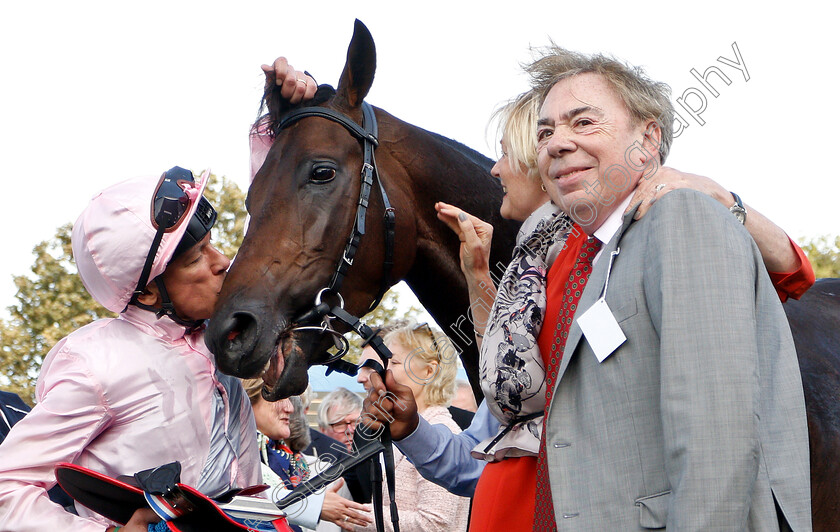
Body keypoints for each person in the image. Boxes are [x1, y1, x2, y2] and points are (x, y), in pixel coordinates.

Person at [367, 89, 814, 531]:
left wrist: (725, 201)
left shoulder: (639, 235)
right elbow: (492, 438)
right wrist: (412, 429)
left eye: (506, 153)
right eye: (546, 134)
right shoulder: (537, 281)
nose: (494, 169)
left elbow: (792, 277)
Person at [0, 168, 261, 532]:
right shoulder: (94, 363)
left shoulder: (221, 335)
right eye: (196, 258)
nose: (221, 262)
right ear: (148, 293)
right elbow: (6, 486)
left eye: (212, 245)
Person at [355, 323, 471, 532]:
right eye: (385, 361)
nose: (383, 370)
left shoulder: (442, 431)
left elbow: (437, 524)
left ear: (429, 371)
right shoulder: (408, 429)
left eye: (395, 362)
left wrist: (356, 516)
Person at [242, 380, 371, 532]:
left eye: (290, 399)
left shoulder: (318, 469)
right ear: (246, 399)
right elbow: (229, 499)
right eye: (279, 397)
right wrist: (315, 505)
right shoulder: (229, 459)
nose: (290, 408)